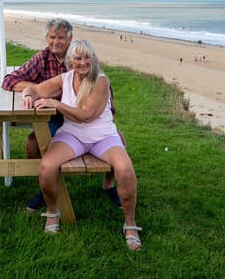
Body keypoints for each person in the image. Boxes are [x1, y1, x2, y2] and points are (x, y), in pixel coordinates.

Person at [23, 39, 142, 250]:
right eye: (78, 58)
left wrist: (56, 103)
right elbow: (37, 89)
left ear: (93, 58)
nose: (83, 62)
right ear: (70, 61)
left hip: (102, 137)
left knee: (125, 170)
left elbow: (86, 116)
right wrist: (28, 95)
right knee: (47, 166)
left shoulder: (101, 81)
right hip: (73, 135)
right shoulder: (66, 77)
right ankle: (52, 212)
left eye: (87, 57)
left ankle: (130, 224)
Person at [2, 18, 121, 211]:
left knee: (118, 140)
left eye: (60, 37)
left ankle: (108, 184)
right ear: (46, 38)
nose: (55, 42)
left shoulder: (81, 58)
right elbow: (9, 80)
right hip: (53, 116)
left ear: (70, 38)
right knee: (33, 144)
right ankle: (43, 186)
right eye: (52, 37)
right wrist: (36, 90)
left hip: (84, 117)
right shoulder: (42, 58)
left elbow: (103, 93)